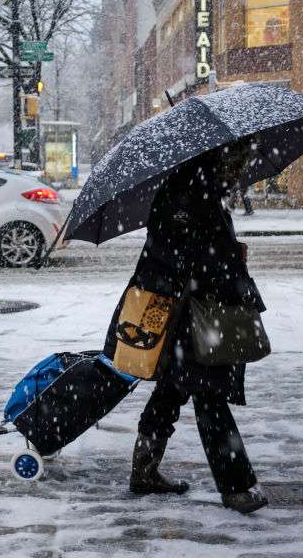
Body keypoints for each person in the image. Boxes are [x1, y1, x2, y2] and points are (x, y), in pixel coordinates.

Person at [103, 149, 270, 514]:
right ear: (219, 160)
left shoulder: (195, 192)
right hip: (192, 315)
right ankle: (237, 487)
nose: (241, 170)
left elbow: (177, 254)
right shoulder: (191, 197)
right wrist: (225, 266)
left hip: (186, 313)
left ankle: (144, 472)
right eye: (237, 162)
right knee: (209, 396)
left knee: (173, 389)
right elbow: (181, 257)